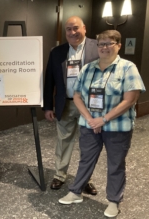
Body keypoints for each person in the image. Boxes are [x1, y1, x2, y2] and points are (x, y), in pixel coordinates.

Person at [58, 30, 145, 217]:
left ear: (118, 45)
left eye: (109, 43)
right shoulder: (88, 69)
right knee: (85, 160)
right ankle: (76, 192)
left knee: (115, 164)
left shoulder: (128, 68)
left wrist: (103, 119)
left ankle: (114, 201)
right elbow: (77, 96)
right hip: (90, 124)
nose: (104, 47)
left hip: (117, 127)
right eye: (101, 44)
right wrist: (90, 119)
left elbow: (130, 99)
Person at [43, 16, 98, 194]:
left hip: (89, 106)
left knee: (88, 143)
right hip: (65, 104)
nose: (72, 32)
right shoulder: (57, 52)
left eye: (76, 28)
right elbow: (49, 80)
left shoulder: (97, 47)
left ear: (84, 28)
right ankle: (59, 175)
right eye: (68, 29)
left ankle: (85, 178)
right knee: (63, 140)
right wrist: (48, 106)